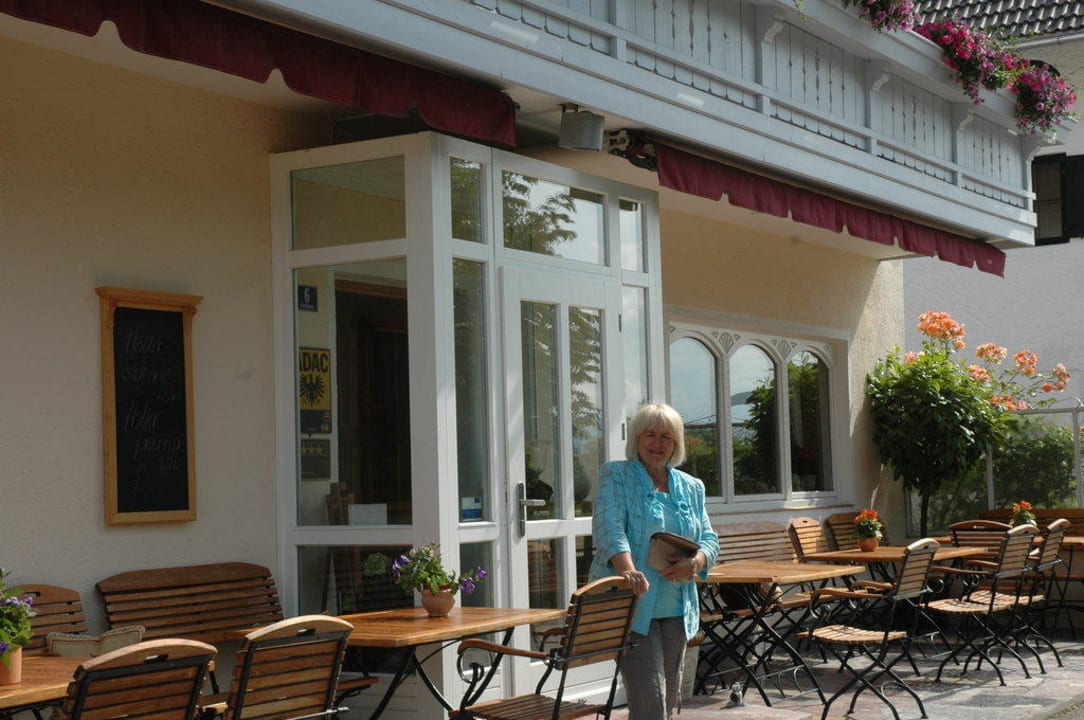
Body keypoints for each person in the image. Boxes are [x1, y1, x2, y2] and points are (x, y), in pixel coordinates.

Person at [588, 402, 719, 720]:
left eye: (666, 437)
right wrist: (628, 571)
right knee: (651, 700)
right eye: (650, 434)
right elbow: (609, 528)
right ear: (637, 438)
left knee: (668, 697)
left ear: (676, 444)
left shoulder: (691, 487)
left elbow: (709, 539)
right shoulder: (616, 475)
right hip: (631, 606)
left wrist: (696, 564)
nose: (657, 444)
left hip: (677, 608)